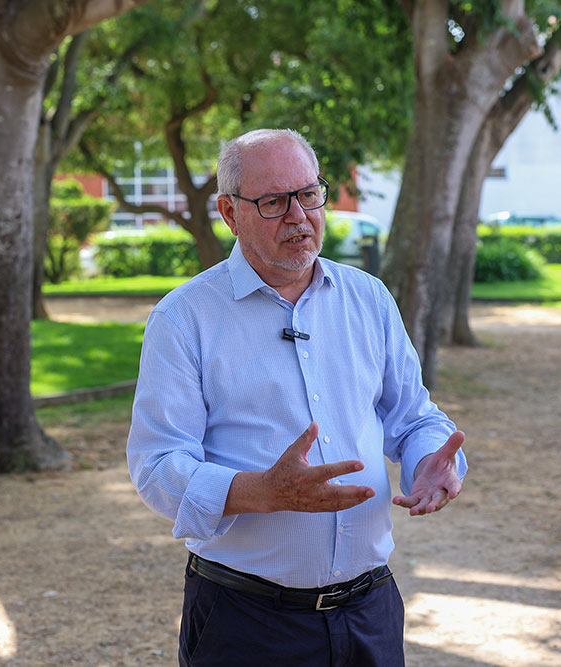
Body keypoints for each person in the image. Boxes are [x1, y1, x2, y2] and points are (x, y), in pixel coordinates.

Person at [126, 128, 467, 667]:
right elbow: (157, 466)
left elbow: (413, 416)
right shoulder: (184, 318)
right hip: (247, 622)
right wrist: (259, 491)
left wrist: (430, 461)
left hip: (370, 612)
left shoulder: (368, 297)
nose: (298, 216)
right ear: (229, 213)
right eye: (273, 201)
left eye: (309, 194)